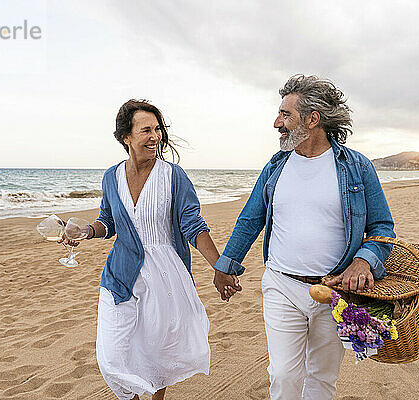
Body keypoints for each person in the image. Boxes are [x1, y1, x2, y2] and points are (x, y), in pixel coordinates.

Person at [213, 75, 395, 399]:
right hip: (281, 285)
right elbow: (250, 220)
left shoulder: (357, 167)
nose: (276, 123)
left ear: (313, 119)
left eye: (285, 115)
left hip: (333, 292)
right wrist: (227, 265)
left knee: (322, 379)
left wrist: (364, 261)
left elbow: (383, 227)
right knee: (283, 375)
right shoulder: (275, 167)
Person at [65, 99, 240, 400]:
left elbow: (194, 227)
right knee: (114, 353)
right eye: (146, 130)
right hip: (121, 273)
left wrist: (220, 266)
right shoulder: (111, 177)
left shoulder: (173, 176)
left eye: (157, 129)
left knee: (158, 350)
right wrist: (86, 231)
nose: (155, 136)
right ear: (126, 137)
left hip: (165, 275)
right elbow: (108, 222)